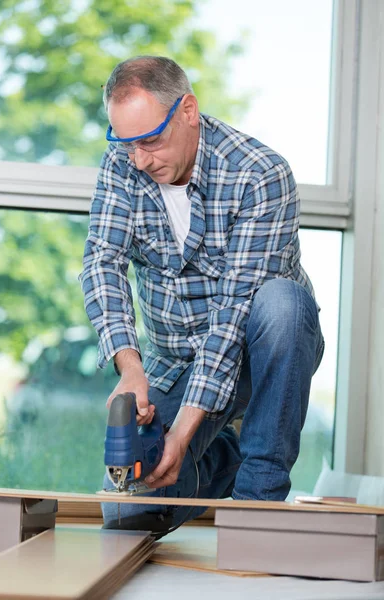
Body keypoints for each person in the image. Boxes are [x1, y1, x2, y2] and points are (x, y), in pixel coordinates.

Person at [79, 55, 324, 533]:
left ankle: (257, 501)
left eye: (150, 140)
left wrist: (186, 429)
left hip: (262, 354)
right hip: (175, 359)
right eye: (125, 143)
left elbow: (235, 314)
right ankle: (223, 460)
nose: (140, 160)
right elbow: (102, 261)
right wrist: (132, 370)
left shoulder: (260, 174)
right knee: (130, 512)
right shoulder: (124, 164)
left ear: (188, 110)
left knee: (282, 302)